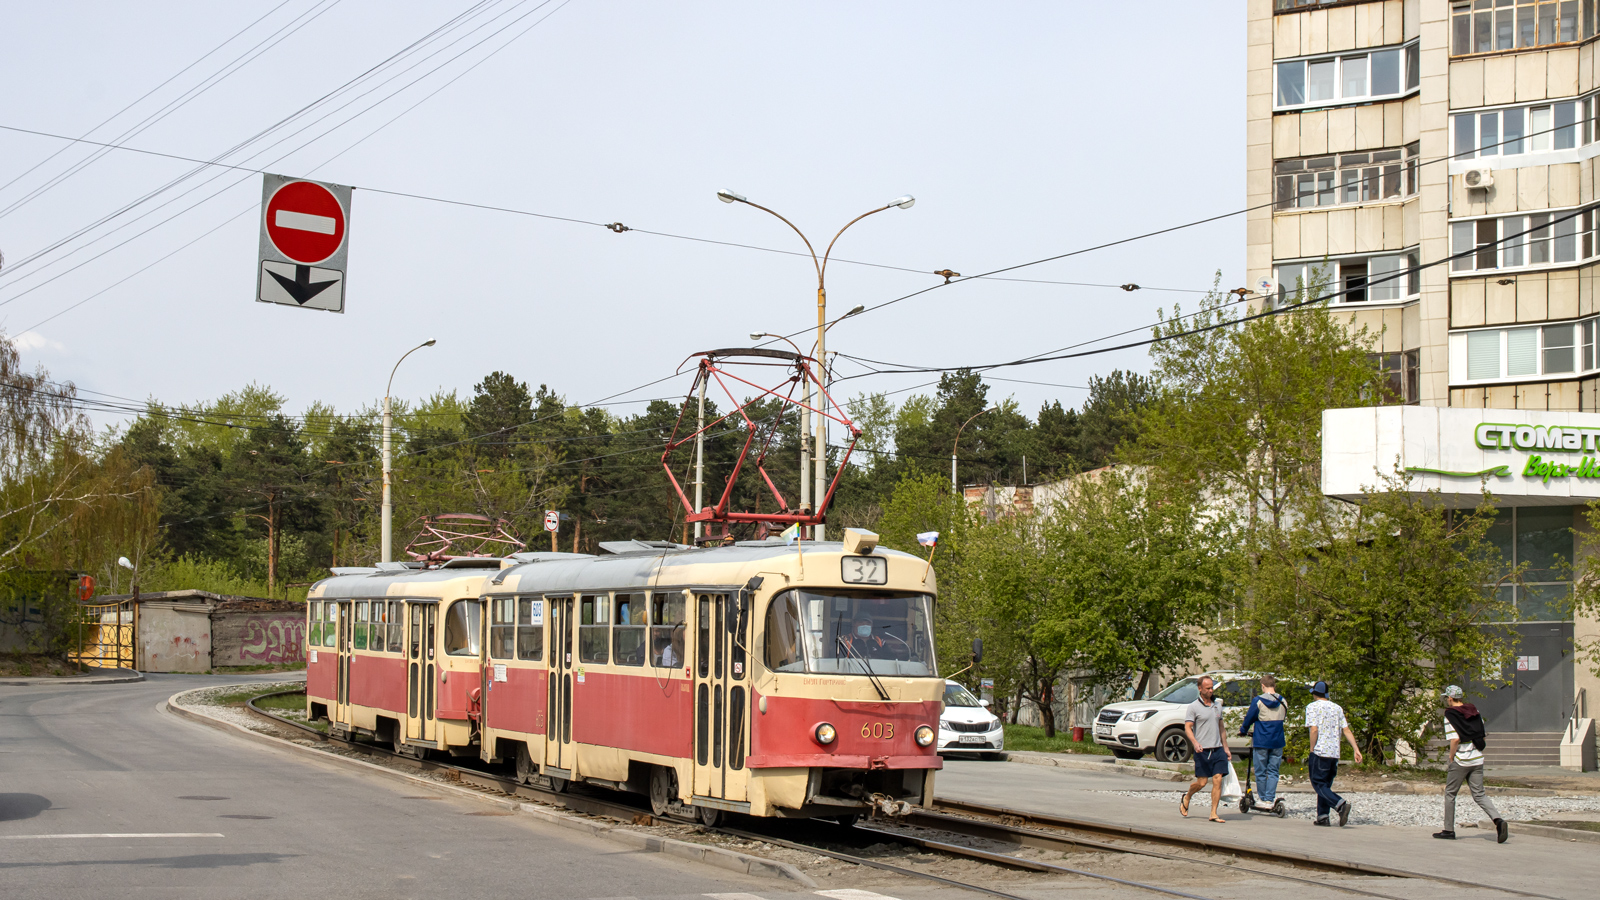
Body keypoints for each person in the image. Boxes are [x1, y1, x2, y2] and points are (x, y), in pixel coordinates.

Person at [1435, 684, 1508, 843]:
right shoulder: (1474, 711)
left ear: (1449, 698)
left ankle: (1448, 830)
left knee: (1450, 794)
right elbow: (1480, 733)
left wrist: (1451, 756)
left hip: (1461, 760)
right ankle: (1498, 820)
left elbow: (1455, 739)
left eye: (1446, 698)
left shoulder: (1450, 715)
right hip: (1477, 759)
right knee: (1479, 794)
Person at [1305, 680, 1363, 827]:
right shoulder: (1337, 708)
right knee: (1325, 786)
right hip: (1334, 753)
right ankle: (1323, 816)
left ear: (1314, 694)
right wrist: (1356, 749)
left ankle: (1340, 805)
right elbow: (1346, 730)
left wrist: (1312, 749)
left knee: (1318, 784)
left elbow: (1314, 729)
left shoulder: (1312, 707)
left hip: (1320, 751)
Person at [1179, 675, 1232, 823]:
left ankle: (1213, 813)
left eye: (1211, 688)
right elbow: (1188, 728)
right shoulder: (1193, 707)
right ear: (1200, 689)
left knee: (1217, 779)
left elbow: (1221, 727)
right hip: (1202, 750)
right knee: (1202, 782)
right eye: (1207, 688)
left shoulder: (1217, 705)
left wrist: (1226, 747)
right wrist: (1195, 743)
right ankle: (1188, 795)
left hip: (1218, 749)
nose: (1210, 690)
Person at [1238, 674, 1287, 807]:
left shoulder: (1258, 701)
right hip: (1277, 740)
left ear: (1263, 686)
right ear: (1274, 686)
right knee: (1273, 771)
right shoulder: (1283, 701)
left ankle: (1263, 798)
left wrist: (1243, 730)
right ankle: (1269, 799)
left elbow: (1249, 718)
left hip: (1262, 740)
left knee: (1260, 770)